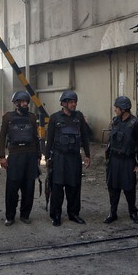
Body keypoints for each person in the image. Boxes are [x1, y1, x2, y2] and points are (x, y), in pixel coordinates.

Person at [45, 90, 91, 226]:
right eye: (71, 102)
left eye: (75, 102)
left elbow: (85, 137)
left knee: (74, 187)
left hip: (74, 158)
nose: (74, 104)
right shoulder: (54, 118)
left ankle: (73, 214)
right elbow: (50, 140)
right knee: (57, 187)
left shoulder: (79, 117)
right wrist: (47, 158)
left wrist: (87, 155)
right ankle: (56, 215)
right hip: (59, 158)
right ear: (63, 103)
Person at [0, 90, 41, 225]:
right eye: (21, 101)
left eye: (26, 102)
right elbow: (2, 137)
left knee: (29, 188)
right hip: (15, 156)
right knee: (12, 188)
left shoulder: (32, 117)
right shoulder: (8, 117)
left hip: (30, 155)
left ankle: (25, 215)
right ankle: (10, 216)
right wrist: (2, 157)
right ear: (16, 103)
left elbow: (35, 137)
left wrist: (38, 155)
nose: (24, 104)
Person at [104, 96, 138, 224]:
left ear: (123, 109)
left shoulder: (135, 123)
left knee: (129, 188)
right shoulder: (115, 121)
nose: (115, 110)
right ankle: (113, 213)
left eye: (117, 108)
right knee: (113, 187)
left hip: (127, 160)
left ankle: (133, 212)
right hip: (114, 160)